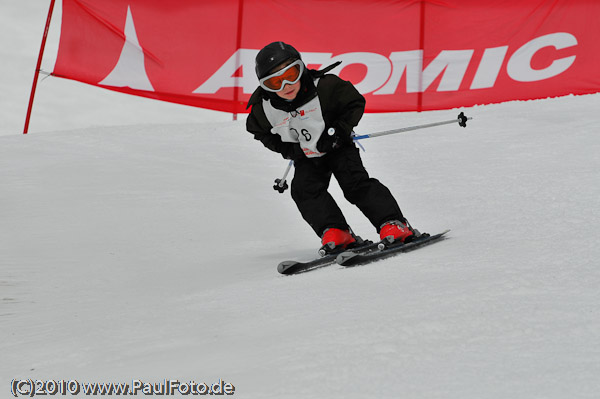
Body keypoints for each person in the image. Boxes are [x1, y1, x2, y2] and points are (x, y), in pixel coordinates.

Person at [246, 41, 414, 253]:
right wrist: (289, 150)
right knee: (304, 190)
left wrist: (339, 131)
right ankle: (336, 230)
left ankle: (393, 224)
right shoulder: (264, 109)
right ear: (264, 86)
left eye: (291, 75)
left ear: (302, 69)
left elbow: (354, 103)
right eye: (275, 83)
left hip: (337, 146)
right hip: (305, 155)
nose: (285, 86)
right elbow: (257, 131)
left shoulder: (325, 87)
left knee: (355, 183)